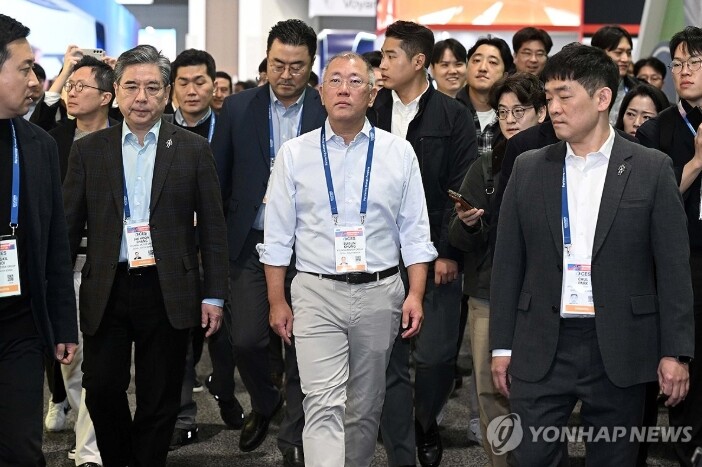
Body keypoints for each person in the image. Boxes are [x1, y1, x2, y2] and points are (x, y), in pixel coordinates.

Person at [490, 43, 694, 466]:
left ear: (602, 99)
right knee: (530, 457)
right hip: (541, 340)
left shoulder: (651, 168)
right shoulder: (528, 167)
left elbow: (674, 269)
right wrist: (501, 347)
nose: (554, 108)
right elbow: (507, 264)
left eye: (564, 96)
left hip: (620, 344)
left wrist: (675, 352)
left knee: (615, 458)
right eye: (549, 97)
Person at [260, 50, 437, 467]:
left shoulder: (399, 153)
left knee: (364, 406)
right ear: (320, 92)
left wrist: (415, 294)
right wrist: (276, 300)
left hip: (380, 291)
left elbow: (415, 233)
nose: (344, 89)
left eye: (355, 81)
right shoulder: (294, 154)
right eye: (335, 81)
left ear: (372, 95)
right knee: (321, 402)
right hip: (316, 291)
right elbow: (277, 236)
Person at [62, 44, 228, 466]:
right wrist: (58, 299)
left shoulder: (192, 149)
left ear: (167, 93)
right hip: (107, 286)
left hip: (167, 286)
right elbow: (67, 229)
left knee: (160, 396)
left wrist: (214, 295)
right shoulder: (89, 150)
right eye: (132, 86)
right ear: (116, 91)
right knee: (101, 388)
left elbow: (213, 229)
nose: (141, 97)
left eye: (152, 87)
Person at [211, 19, 327, 467]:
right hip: (251, 244)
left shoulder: (326, 108)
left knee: (302, 345)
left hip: (310, 247)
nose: (286, 74)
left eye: (297, 66)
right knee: (247, 340)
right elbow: (219, 180)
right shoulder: (238, 109)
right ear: (267, 59)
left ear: (311, 65)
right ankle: (265, 401)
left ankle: (293, 436)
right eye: (278, 64)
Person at [373, 20, 476, 467]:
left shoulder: (453, 116)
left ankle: (424, 421)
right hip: (375, 253)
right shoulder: (372, 108)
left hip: (434, 254)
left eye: (390, 55)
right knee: (386, 353)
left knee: (435, 356)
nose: (382, 63)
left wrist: (448, 252)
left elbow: (461, 188)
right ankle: (396, 427)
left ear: (418, 61)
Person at [449, 72, 546, 467]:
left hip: (546, 296)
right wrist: (469, 224)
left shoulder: (562, 160)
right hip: (489, 292)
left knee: (543, 393)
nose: (509, 120)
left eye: (518, 111)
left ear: (542, 112)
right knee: (491, 390)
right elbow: (458, 237)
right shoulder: (486, 165)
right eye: (502, 112)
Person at [0, 13, 77, 466]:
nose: (35, 81)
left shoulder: (38, 145)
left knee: (22, 449)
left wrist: (63, 325)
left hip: (20, 326)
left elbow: (55, 247)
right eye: (25, 68)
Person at [637, 25, 702, 467]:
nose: (684, 71)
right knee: (685, 365)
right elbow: (648, 205)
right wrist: (695, 163)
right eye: (677, 63)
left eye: (695, 62)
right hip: (680, 264)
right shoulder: (655, 131)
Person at [49, 54, 116, 467]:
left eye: (80, 86)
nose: (71, 93)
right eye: (69, 86)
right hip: (65, 265)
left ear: (107, 96)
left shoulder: (127, 138)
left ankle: (90, 450)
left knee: (102, 363)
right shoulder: (53, 140)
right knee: (70, 361)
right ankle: (85, 429)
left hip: (111, 265)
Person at [457, 36, 512, 157]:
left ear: (505, 75)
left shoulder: (513, 116)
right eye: (476, 60)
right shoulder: (451, 110)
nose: (482, 68)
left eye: (492, 62)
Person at [591, 25, 637, 126]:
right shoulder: (584, 87)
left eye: (629, 53)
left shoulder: (638, 89)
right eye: (618, 53)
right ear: (599, 53)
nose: (625, 59)